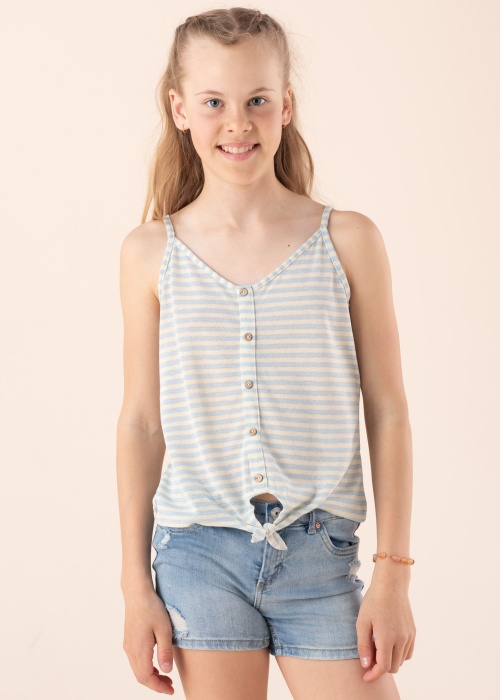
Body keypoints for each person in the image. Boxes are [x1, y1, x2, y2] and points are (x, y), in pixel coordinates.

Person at [116, 7, 416, 699]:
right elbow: (141, 423)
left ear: (286, 104)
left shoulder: (347, 241)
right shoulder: (150, 253)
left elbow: (389, 411)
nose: (238, 123)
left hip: (322, 557)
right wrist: (135, 587)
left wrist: (393, 573)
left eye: (257, 100)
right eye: (213, 102)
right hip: (197, 558)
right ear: (180, 109)